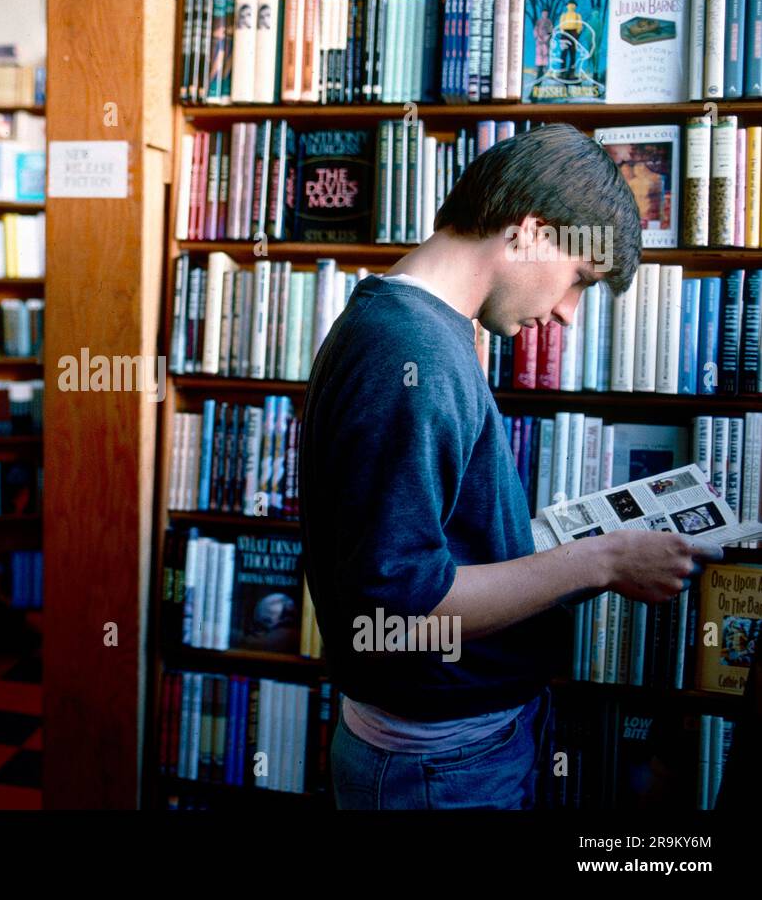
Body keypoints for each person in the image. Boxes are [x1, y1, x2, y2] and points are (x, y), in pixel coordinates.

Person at [298, 124, 724, 810]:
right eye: (579, 280)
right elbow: (402, 609)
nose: (566, 313)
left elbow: (423, 543)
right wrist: (604, 561)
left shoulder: (420, 329)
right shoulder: (411, 355)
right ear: (529, 230)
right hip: (442, 766)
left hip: (456, 750)